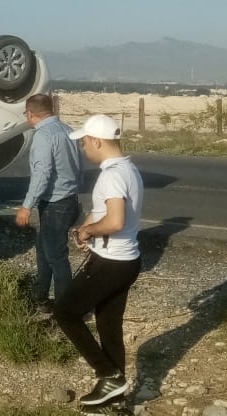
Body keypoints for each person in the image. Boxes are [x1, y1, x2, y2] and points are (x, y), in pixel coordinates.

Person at [53, 114, 145, 407]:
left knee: (66, 312)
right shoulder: (128, 169)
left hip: (111, 263)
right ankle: (115, 395)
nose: (83, 150)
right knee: (108, 323)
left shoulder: (112, 175)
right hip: (127, 259)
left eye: (84, 144)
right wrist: (85, 231)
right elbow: (102, 211)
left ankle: (108, 375)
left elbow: (115, 221)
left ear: (96, 141)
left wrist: (91, 230)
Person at [15, 93, 83, 311]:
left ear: (30, 113)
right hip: (69, 198)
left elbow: (42, 174)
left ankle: (65, 309)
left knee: (56, 255)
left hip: (56, 203)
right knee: (43, 248)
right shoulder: (67, 130)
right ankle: (40, 296)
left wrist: (27, 205)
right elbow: (79, 166)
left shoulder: (44, 135)